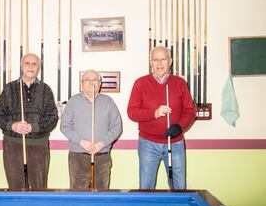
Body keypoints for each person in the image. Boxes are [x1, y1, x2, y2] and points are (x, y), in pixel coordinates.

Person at [127, 45, 196, 190]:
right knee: (146, 187)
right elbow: (132, 112)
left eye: (163, 59)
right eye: (155, 60)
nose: (159, 63)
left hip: (175, 143)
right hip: (148, 144)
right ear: (151, 62)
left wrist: (179, 126)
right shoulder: (140, 83)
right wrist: (154, 113)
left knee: (178, 187)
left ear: (170, 61)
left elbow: (190, 111)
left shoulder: (180, 83)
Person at [0, 53, 58, 189]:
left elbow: (52, 118)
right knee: (15, 187)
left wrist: (33, 127)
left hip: (38, 146)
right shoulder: (9, 88)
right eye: (27, 63)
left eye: (34, 64)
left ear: (38, 68)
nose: (30, 66)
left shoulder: (45, 90)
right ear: (21, 66)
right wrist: (13, 125)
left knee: (39, 187)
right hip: (13, 145)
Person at [61, 69, 122, 189]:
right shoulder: (73, 101)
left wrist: (101, 144)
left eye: (94, 80)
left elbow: (117, 126)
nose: (91, 83)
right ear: (81, 84)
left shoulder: (108, 101)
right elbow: (65, 126)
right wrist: (82, 142)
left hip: (102, 155)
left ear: (100, 84)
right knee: (78, 194)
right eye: (87, 80)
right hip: (78, 156)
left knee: (101, 193)